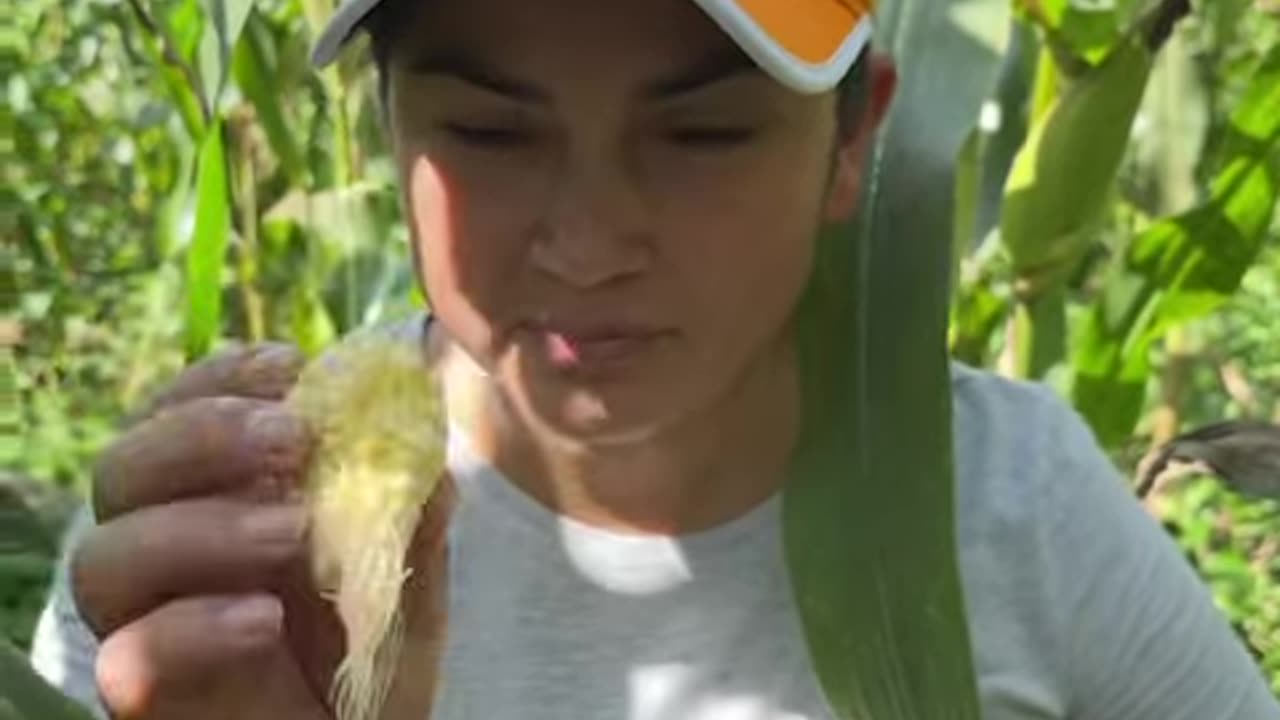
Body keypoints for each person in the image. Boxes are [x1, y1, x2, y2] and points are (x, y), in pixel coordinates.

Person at [27, 0, 1279, 718]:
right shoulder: (223, 559)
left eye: (703, 135)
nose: (583, 247)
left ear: (853, 142)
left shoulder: (1014, 505)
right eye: (485, 132)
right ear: (387, 129)